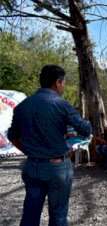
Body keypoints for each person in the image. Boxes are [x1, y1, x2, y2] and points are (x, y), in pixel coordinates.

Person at [7, 65, 92, 226]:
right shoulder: (62, 105)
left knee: (30, 215)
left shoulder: (22, 106)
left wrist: (31, 152)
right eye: (64, 82)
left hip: (32, 165)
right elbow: (86, 129)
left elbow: (12, 136)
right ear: (57, 83)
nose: (64, 86)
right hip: (57, 167)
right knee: (58, 216)